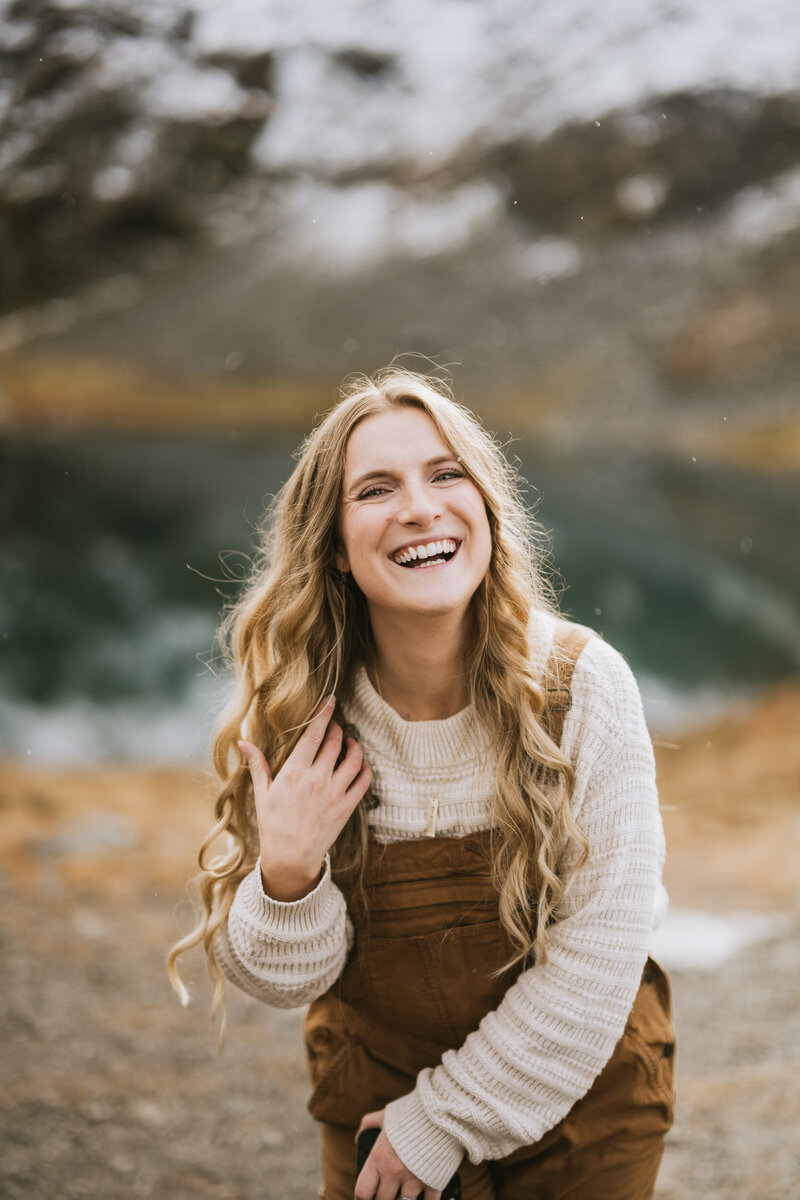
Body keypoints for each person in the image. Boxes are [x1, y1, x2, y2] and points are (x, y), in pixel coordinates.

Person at [168, 366, 675, 1200]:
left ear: (485, 506)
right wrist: (287, 876)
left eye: (446, 475)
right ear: (332, 543)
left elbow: (600, 955)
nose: (419, 508)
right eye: (375, 489)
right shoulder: (296, 711)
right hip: (375, 1098)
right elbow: (276, 980)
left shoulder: (585, 686)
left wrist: (439, 1122)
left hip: (585, 1094)